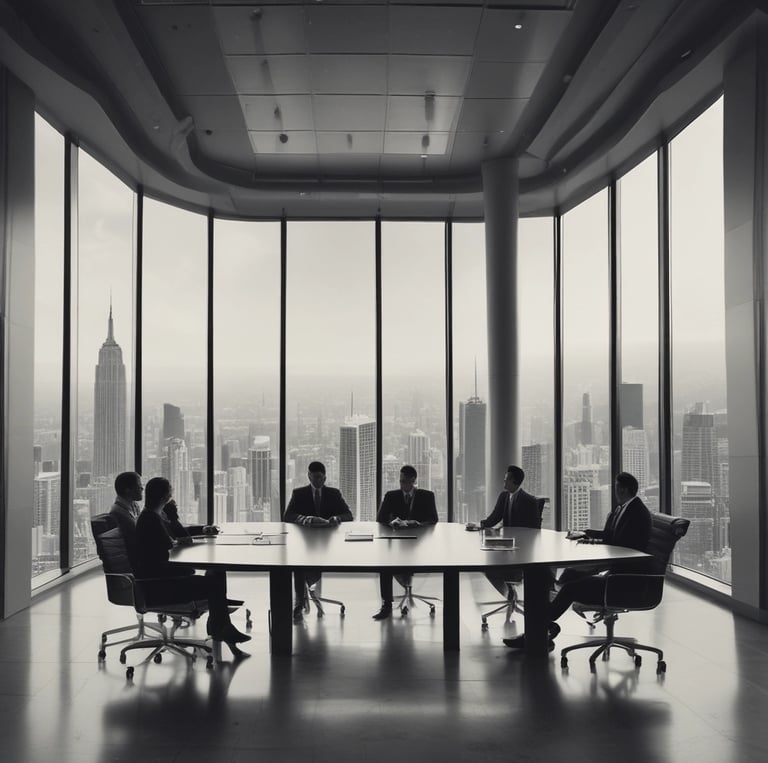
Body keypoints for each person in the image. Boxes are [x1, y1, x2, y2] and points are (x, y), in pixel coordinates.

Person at [502, 471, 654, 652]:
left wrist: (595, 557)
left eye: (616, 487)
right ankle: (543, 626)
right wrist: (586, 533)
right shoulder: (625, 508)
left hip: (624, 580)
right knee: (566, 575)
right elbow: (611, 537)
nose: (615, 491)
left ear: (623, 489)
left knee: (570, 588)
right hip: (617, 570)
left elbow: (622, 546)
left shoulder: (637, 513)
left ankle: (537, 632)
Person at [135, 477, 250, 649]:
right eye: (170, 492)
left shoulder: (152, 516)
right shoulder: (151, 520)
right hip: (159, 586)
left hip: (159, 580)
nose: (171, 496)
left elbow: (177, 536)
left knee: (216, 572)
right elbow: (175, 541)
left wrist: (199, 529)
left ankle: (219, 624)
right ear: (164, 497)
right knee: (214, 580)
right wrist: (174, 522)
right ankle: (221, 625)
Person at [284, 461, 353, 619]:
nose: (317, 481)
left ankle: (302, 599)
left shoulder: (333, 494)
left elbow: (349, 515)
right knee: (299, 563)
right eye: (314, 477)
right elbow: (287, 516)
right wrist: (303, 518)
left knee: (303, 564)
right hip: (305, 543)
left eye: (320, 478)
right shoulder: (299, 493)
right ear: (308, 476)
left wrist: (337, 518)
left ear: (325, 477)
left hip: (328, 545)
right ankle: (300, 602)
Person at [372, 465, 438, 621]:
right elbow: (380, 519)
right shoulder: (391, 496)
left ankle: (400, 592)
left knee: (396, 565)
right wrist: (392, 522)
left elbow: (433, 519)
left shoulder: (427, 496)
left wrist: (418, 524)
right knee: (385, 565)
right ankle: (386, 605)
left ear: (413, 481)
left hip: (419, 545)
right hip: (397, 544)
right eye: (400, 481)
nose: (402, 484)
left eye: (405, 481)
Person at [466, 465, 542, 597]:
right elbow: (495, 517)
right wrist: (479, 525)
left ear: (515, 482)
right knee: (483, 564)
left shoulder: (529, 501)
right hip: (506, 545)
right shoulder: (504, 496)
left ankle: (509, 594)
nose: (504, 482)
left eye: (506, 479)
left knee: (490, 569)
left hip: (521, 551)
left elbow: (534, 530)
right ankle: (509, 592)